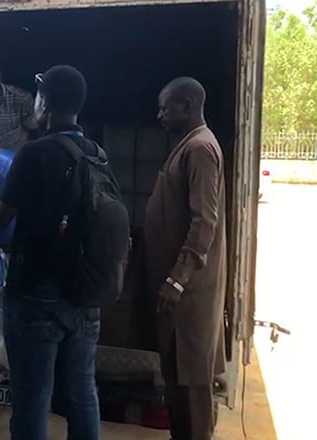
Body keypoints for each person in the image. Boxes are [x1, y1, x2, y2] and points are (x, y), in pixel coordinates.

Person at [0, 65, 100, 440]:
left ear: (45, 102)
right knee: (81, 394)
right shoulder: (95, 153)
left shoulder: (35, 154)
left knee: (31, 399)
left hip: (37, 294)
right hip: (85, 294)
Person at [145, 77, 226, 440]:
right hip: (180, 294)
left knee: (192, 385)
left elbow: (204, 220)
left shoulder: (199, 149)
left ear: (189, 106)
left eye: (167, 107)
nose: (160, 114)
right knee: (178, 383)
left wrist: (178, 277)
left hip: (190, 296)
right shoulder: (187, 145)